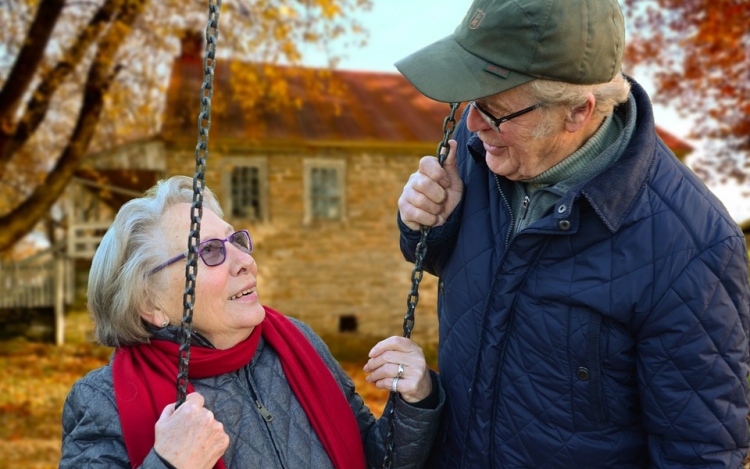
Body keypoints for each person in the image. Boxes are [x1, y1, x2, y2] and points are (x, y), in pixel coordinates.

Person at [394, 0, 750, 467]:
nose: (475, 125)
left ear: (578, 113)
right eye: (471, 103)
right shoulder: (483, 146)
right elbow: (450, 264)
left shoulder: (691, 247)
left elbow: (701, 452)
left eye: (494, 110)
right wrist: (427, 224)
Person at [60, 175, 443, 469]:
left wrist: (414, 400)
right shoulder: (103, 400)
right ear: (150, 303)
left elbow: (372, 458)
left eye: (235, 241)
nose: (244, 260)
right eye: (209, 252)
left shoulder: (297, 344)